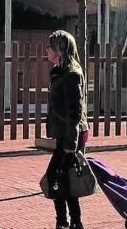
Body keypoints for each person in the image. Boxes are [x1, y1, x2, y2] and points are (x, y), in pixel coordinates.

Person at [45, 30, 89, 229]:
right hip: (64, 133)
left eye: (50, 46)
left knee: (58, 176)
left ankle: (70, 222)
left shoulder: (72, 74)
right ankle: (66, 222)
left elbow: (75, 111)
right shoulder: (59, 71)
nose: (47, 50)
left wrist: (71, 143)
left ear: (59, 50)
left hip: (72, 134)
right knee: (61, 178)